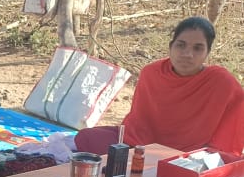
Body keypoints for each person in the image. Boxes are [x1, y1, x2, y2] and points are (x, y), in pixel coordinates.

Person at [74, 16, 244, 156]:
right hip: (141, 145)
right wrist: (142, 147)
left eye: (198, 48)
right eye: (181, 45)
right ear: (171, 47)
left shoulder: (221, 81)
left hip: (190, 154)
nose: (187, 54)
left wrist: (211, 153)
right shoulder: (151, 73)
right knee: (86, 137)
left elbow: (236, 118)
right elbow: (138, 122)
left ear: (207, 53)